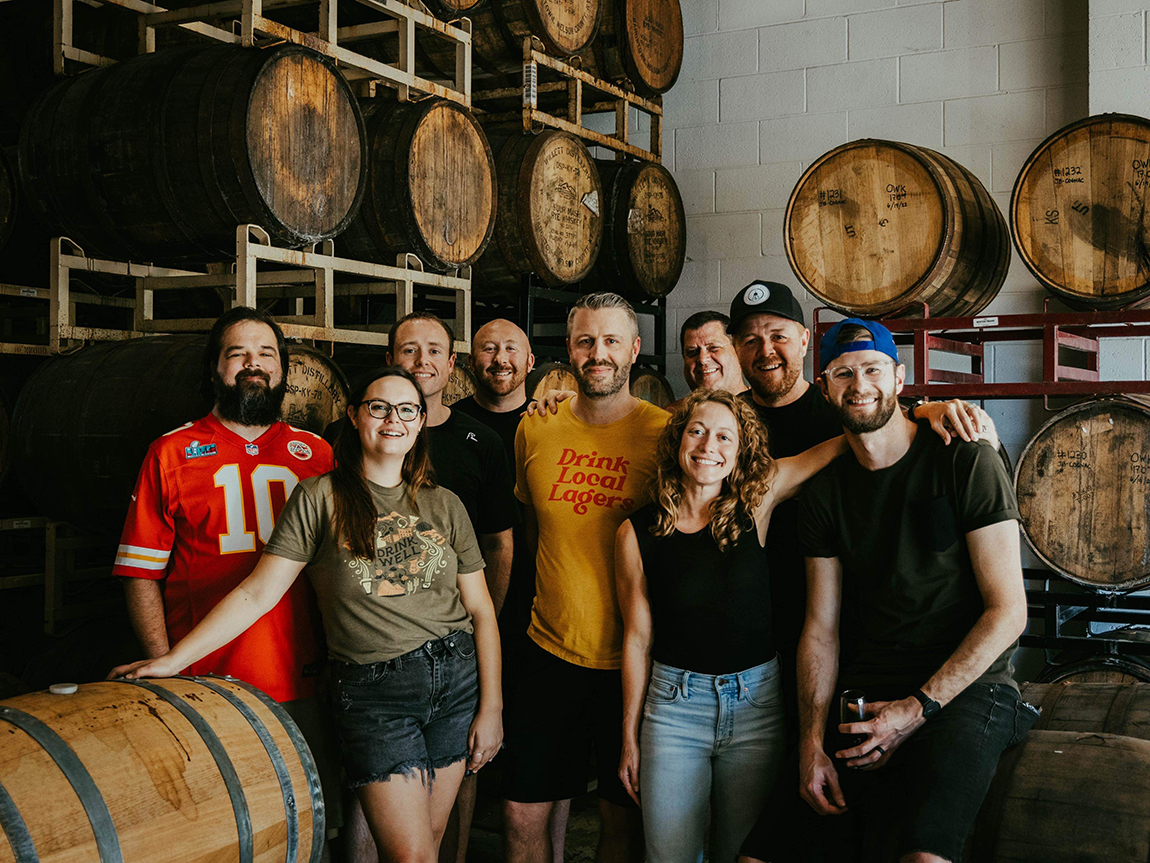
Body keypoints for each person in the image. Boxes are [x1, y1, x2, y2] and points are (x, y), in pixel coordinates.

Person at [112, 366, 504, 863]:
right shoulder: (319, 497)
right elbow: (258, 593)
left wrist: (492, 707)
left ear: (421, 422)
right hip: (376, 694)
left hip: (456, 684)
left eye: (407, 410)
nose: (393, 419)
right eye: (378, 407)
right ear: (354, 415)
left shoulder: (445, 504)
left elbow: (481, 611)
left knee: (430, 841)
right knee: (412, 856)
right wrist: (171, 660)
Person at [740, 319, 1033, 863]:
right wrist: (809, 746)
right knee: (760, 856)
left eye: (873, 369)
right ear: (825, 386)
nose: (859, 384)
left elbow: (1009, 612)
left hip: (968, 691)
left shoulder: (967, 458)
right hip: (869, 684)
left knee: (922, 857)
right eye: (844, 373)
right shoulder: (825, 493)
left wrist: (915, 710)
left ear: (900, 377)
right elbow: (821, 630)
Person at [725, 280, 998, 757]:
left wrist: (915, 413)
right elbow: (763, 487)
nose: (765, 350)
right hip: (758, 631)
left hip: (846, 631)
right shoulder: (729, 422)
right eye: (749, 339)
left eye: (778, 335)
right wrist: (902, 416)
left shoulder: (844, 404)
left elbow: (879, 417)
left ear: (805, 342)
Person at [112, 307, 342, 840]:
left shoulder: (319, 454)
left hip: (302, 676)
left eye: (266, 354)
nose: (252, 364)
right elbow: (140, 573)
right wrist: (164, 664)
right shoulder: (171, 452)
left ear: (284, 370)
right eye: (237, 353)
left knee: (310, 830)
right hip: (207, 681)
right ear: (215, 368)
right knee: (223, 833)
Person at [616, 388, 848, 863]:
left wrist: (923, 411)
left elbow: (838, 445)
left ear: (741, 452)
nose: (708, 446)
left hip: (757, 707)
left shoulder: (756, 501)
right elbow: (638, 639)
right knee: (669, 856)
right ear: (678, 439)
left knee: (742, 854)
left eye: (725, 437)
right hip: (673, 709)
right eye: (697, 431)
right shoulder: (635, 532)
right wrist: (629, 734)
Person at [503, 292, 669, 863]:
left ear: (635, 349)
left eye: (611, 341)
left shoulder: (666, 435)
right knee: (521, 811)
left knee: (621, 821)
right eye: (585, 341)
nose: (598, 353)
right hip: (548, 651)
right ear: (569, 349)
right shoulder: (536, 428)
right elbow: (534, 531)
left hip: (632, 662)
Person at [665, 310, 747, 411]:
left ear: (738, 350)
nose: (702, 359)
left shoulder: (766, 411)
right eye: (692, 352)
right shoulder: (669, 418)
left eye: (713, 348)